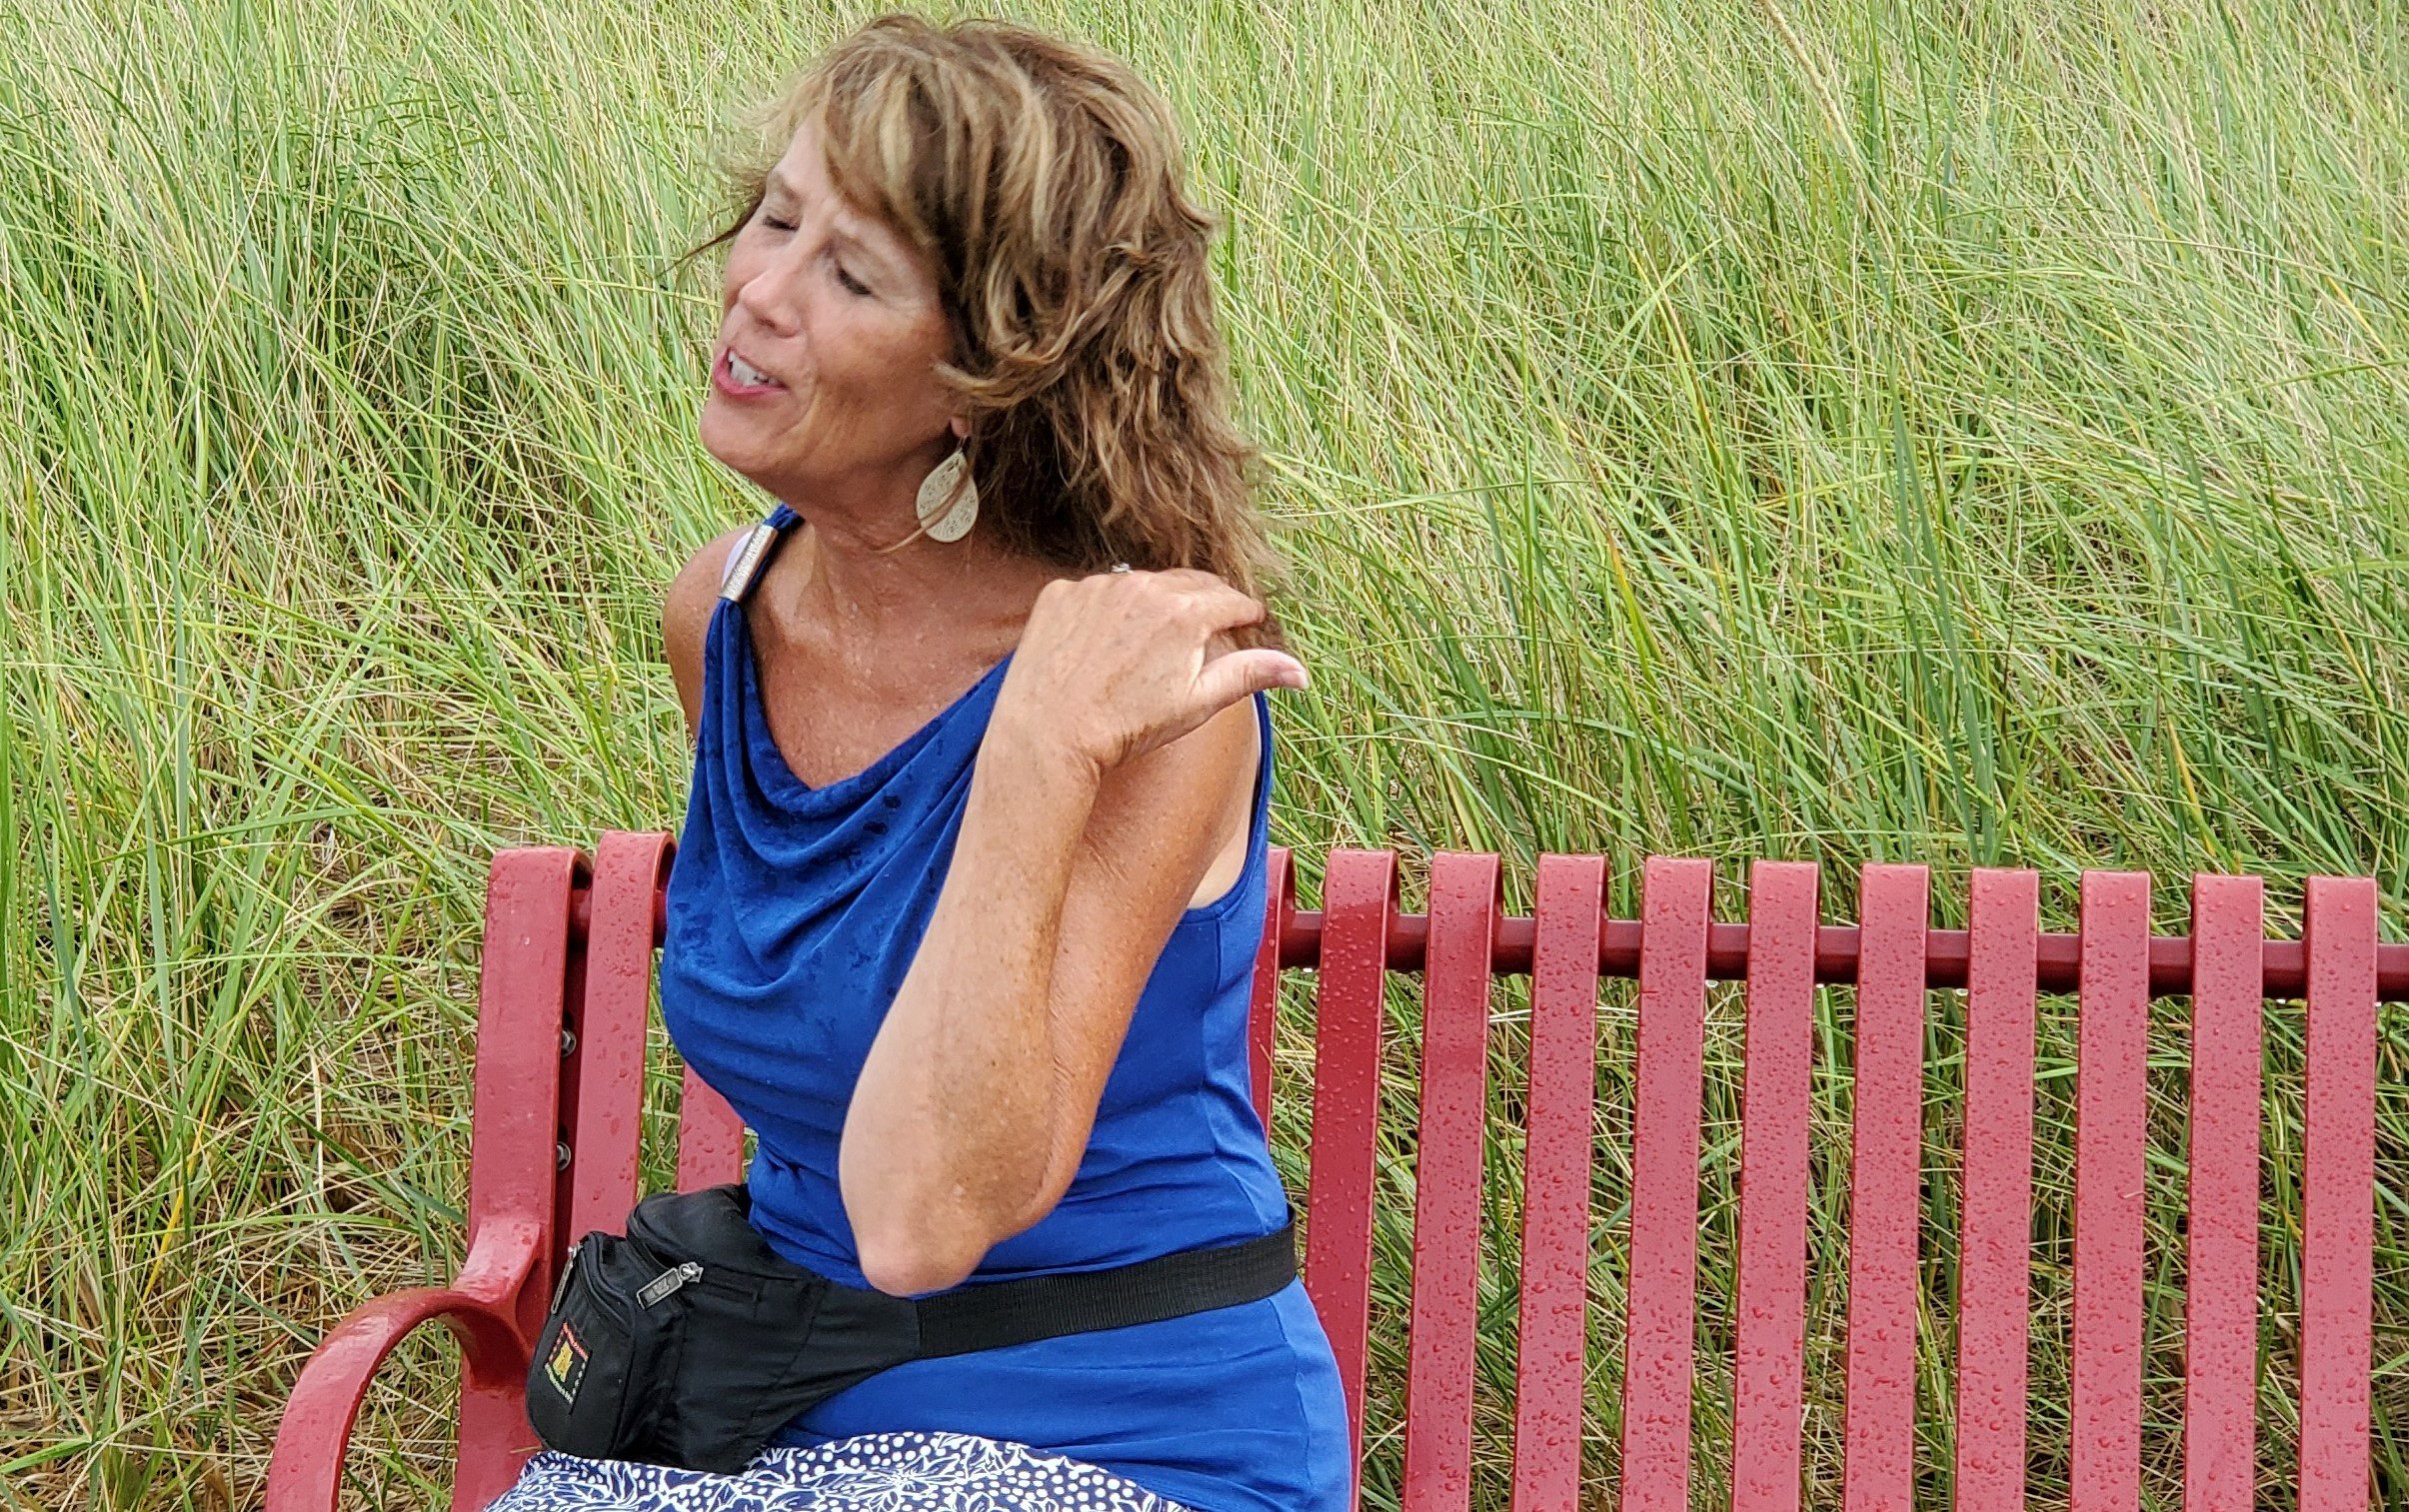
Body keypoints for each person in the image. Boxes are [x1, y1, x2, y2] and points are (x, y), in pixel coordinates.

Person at [488, 13, 1351, 1512]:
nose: (756, 289)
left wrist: (1030, 757)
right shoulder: (726, 615)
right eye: (774, 215)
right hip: (780, 1421)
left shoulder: (1155, 690)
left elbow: (920, 1220)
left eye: (850, 273)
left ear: (984, 377)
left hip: (1121, 1436)